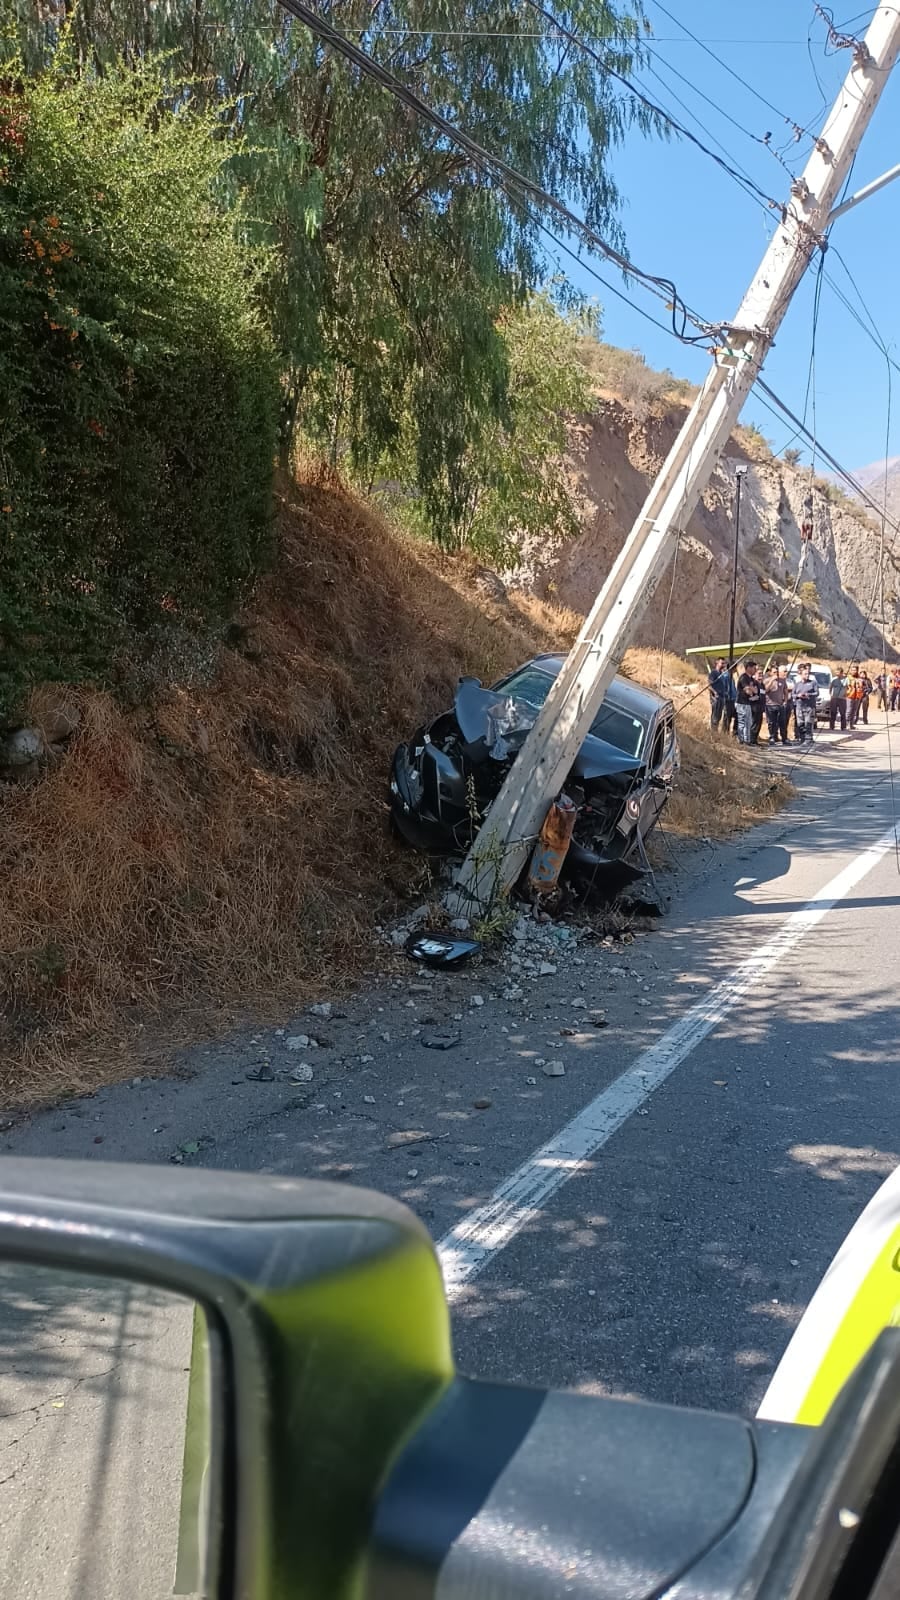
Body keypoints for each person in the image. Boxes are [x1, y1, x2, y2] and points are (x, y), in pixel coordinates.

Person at [735, 659, 761, 746]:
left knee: (748, 722)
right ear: (748, 668)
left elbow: (756, 690)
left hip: (748, 703)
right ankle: (741, 740)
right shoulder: (743, 677)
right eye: (754, 668)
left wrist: (752, 689)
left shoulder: (751, 679)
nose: (755, 670)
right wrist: (751, 689)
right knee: (742, 722)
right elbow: (748, 691)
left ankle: (747, 740)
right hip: (741, 703)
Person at [764, 664, 790, 744]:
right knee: (772, 722)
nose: (776, 674)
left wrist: (785, 701)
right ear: (771, 673)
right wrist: (772, 680)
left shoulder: (782, 680)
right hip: (770, 705)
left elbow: (785, 691)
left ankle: (784, 738)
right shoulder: (767, 680)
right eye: (774, 672)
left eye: (777, 672)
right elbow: (766, 690)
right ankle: (772, 737)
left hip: (780, 705)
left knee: (782, 722)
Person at [793, 661, 819, 743]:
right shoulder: (797, 684)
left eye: (808, 674)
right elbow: (793, 694)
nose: (807, 675)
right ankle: (802, 738)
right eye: (805, 674)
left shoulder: (813, 683)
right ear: (801, 674)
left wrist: (809, 694)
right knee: (800, 723)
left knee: (808, 723)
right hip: (800, 706)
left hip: (809, 707)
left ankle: (808, 739)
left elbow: (817, 693)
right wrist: (798, 695)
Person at [708, 657, 731, 733]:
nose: (723, 665)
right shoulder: (714, 673)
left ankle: (716, 731)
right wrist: (714, 692)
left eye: (724, 663)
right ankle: (713, 732)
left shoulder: (722, 674)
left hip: (722, 697)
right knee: (715, 715)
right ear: (717, 663)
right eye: (722, 663)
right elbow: (709, 685)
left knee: (719, 716)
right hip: (716, 697)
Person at [750, 664, 766, 745]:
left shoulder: (762, 685)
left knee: (759, 724)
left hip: (761, 708)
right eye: (759, 674)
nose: (761, 675)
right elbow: (751, 696)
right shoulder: (754, 683)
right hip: (754, 707)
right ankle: (751, 740)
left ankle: (755, 740)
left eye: (762, 674)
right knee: (754, 724)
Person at [829, 666, 848, 732]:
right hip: (834, 698)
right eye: (836, 672)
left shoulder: (846, 679)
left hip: (842, 699)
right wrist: (830, 694)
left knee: (843, 713)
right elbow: (830, 687)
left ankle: (843, 727)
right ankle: (831, 726)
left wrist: (846, 693)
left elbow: (849, 687)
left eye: (838, 672)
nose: (837, 674)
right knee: (833, 712)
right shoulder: (833, 679)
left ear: (842, 673)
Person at [778, 666, 794, 743]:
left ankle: (784, 737)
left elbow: (792, 688)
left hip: (788, 702)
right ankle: (774, 736)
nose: (786, 673)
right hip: (778, 703)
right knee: (777, 721)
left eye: (786, 671)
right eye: (784, 671)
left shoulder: (789, 680)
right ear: (779, 672)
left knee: (785, 721)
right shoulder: (777, 680)